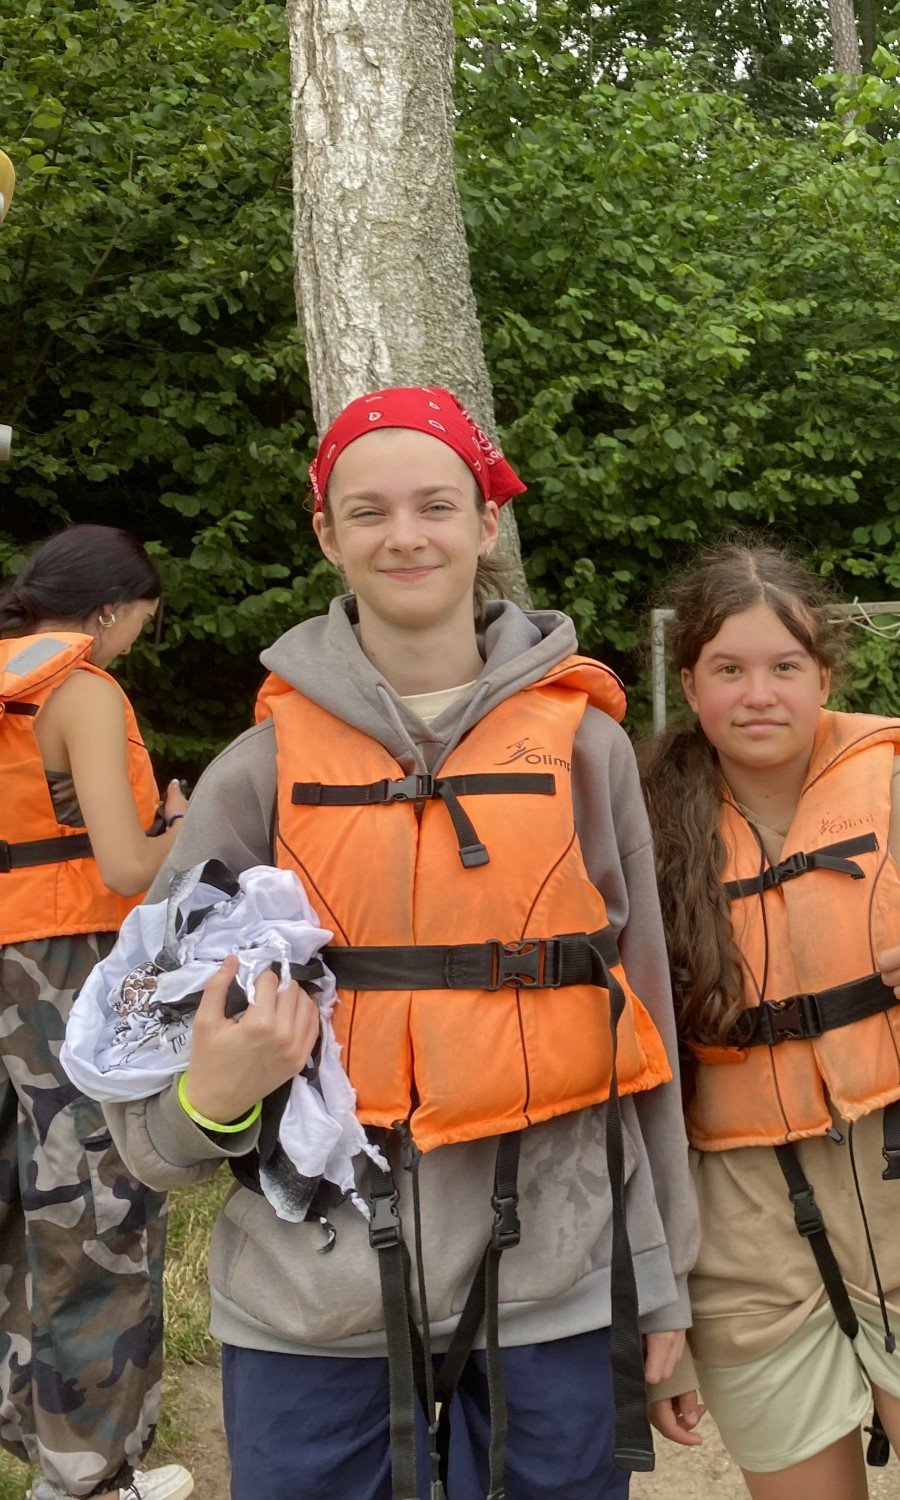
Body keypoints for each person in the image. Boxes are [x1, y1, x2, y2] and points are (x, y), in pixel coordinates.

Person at [99, 387, 699, 1500]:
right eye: (368, 512)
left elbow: (644, 1022)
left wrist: (662, 1282)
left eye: (436, 505)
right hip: (309, 1302)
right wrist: (207, 1103)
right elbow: (144, 1096)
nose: (405, 536)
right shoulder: (258, 770)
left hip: (554, 1282)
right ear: (327, 534)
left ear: (486, 522)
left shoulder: (587, 752)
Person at [641, 541, 900, 1500]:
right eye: (728, 670)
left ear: (824, 677)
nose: (759, 694)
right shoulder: (649, 833)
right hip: (749, 1276)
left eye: (785, 667)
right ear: (690, 684)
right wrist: (666, 1322)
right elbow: (641, 1098)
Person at [0, 526, 191, 1500]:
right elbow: (123, 866)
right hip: (65, 975)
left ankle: (42, 1445)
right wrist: (186, 827)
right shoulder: (82, 692)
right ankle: (89, 1477)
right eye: (138, 626)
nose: (130, 645)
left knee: (16, 1213)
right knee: (97, 1213)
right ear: (109, 610)